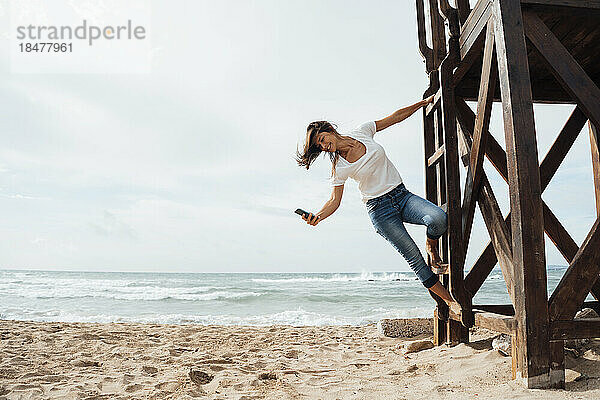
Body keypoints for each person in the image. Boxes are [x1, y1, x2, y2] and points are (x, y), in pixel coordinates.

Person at [295, 96, 460, 311]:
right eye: (320, 146)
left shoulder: (362, 131)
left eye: (323, 139)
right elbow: (334, 200)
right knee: (415, 259)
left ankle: (431, 244)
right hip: (380, 212)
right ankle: (451, 302)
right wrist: (318, 217)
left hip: (402, 196)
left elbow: (395, 118)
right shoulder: (340, 166)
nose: (325, 146)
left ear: (329, 129)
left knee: (438, 218)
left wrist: (421, 104)